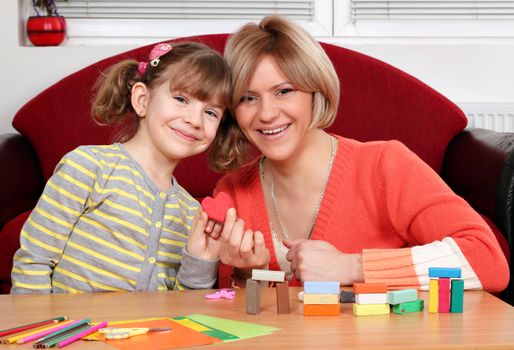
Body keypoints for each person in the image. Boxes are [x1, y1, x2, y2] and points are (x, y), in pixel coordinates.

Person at [208, 15, 509, 292]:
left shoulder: (385, 165)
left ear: (316, 92)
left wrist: (350, 266)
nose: (267, 113)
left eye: (284, 91)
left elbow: (486, 260)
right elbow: (229, 315)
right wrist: (249, 275)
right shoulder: (232, 193)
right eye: (248, 98)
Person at [11, 42, 231, 293]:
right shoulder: (87, 167)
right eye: (181, 99)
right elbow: (33, 260)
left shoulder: (190, 212)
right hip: (69, 331)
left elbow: (180, 307)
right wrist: (41, 329)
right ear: (142, 100)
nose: (194, 120)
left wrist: (200, 262)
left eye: (211, 113)